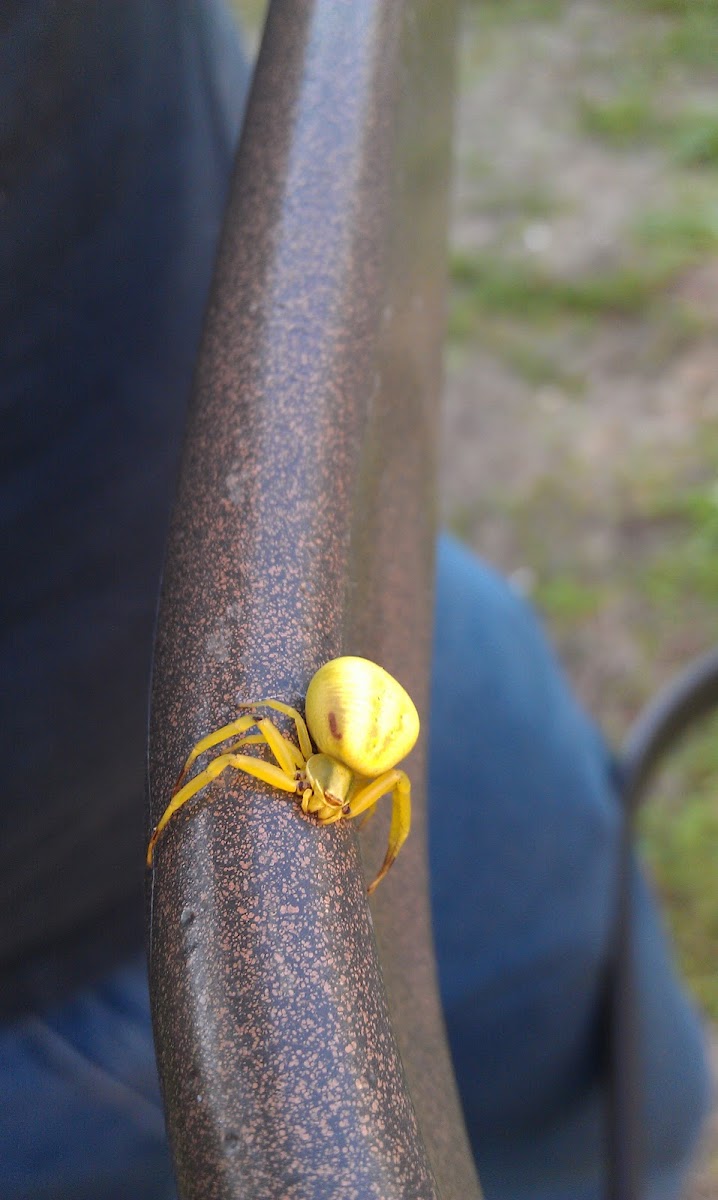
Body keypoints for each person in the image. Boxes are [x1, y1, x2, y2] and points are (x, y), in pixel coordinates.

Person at [0, 4, 709, 1199]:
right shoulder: (296, 759)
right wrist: (201, 806)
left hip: (364, 584)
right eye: (328, 801)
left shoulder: (366, 784)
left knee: (629, 1088)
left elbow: (364, 794)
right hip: (66, 940)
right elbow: (239, 744)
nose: (321, 805)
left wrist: (366, 843)